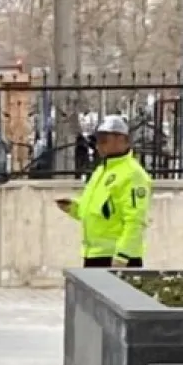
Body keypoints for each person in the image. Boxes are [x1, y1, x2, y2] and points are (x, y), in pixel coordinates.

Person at [54, 114, 152, 268]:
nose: (99, 145)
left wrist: (123, 255)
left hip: (116, 257)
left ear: (121, 140)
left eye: (104, 140)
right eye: (97, 140)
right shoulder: (102, 170)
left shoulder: (133, 174)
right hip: (95, 254)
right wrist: (74, 208)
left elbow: (135, 219)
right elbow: (100, 211)